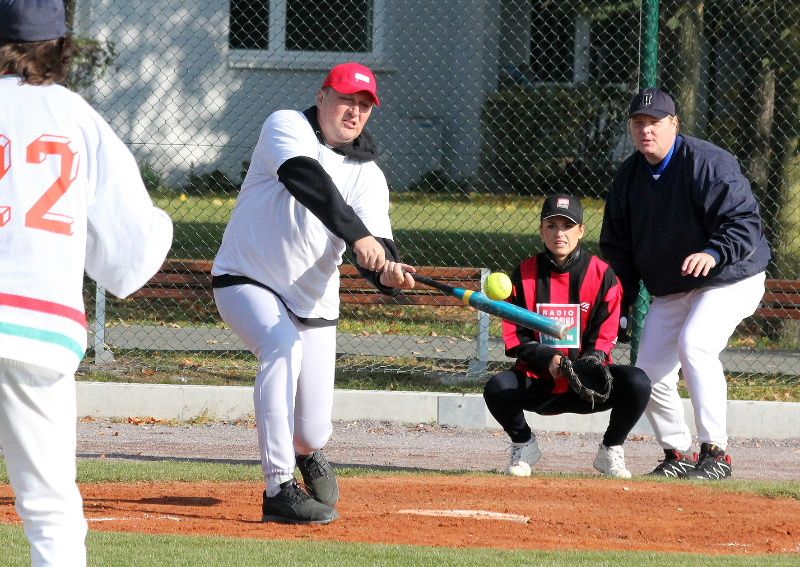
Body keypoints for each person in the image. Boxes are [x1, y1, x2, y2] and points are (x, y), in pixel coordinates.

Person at [0, 1, 174, 564]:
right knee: (48, 506)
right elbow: (132, 254)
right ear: (60, 46)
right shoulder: (77, 118)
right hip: (36, 326)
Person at [211, 62, 415, 524]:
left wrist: (388, 272)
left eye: (364, 105)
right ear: (322, 96)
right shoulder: (286, 125)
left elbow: (378, 246)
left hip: (313, 303)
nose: (355, 111)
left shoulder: (369, 174)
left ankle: (305, 452)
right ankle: (278, 487)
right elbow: (306, 179)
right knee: (279, 346)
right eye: (346, 99)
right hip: (246, 278)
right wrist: (357, 236)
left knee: (312, 430)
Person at [600, 88, 771, 480]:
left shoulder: (707, 163)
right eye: (638, 123)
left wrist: (713, 252)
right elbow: (617, 249)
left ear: (674, 124)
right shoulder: (629, 177)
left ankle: (717, 453)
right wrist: (619, 306)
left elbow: (746, 221)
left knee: (695, 344)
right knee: (647, 374)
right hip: (674, 286)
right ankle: (677, 452)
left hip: (731, 276)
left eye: (655, 122)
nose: (646, 130)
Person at [483, 194, 651, 478]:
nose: (559, 233)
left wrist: (587, 363)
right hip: (539, 381)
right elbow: (517, 337)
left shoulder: (602, 275)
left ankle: (610, 449)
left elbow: (606, 332)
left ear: (581, 231)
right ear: (541, 230)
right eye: (551, 226)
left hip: (588, 382)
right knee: (497, 387)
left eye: (567, 225)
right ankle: (524, 444)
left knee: (638, 382)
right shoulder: (524, 274)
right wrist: (549, 358)